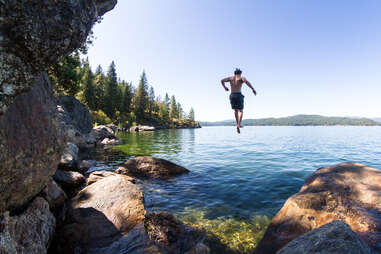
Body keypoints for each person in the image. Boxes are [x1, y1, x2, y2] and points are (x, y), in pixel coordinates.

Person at [221, 68, 257, 133]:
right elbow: (246, 82)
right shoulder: (241, 78)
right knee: (241, 111)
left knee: (235, 110)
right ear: (240, 73)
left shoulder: (230, 78)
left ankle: (237, 123)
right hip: (238, 95)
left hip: (232, 95)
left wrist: (225, 87)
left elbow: (222, 80)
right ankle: (238, 124)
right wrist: (253, 89)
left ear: (234, 73)